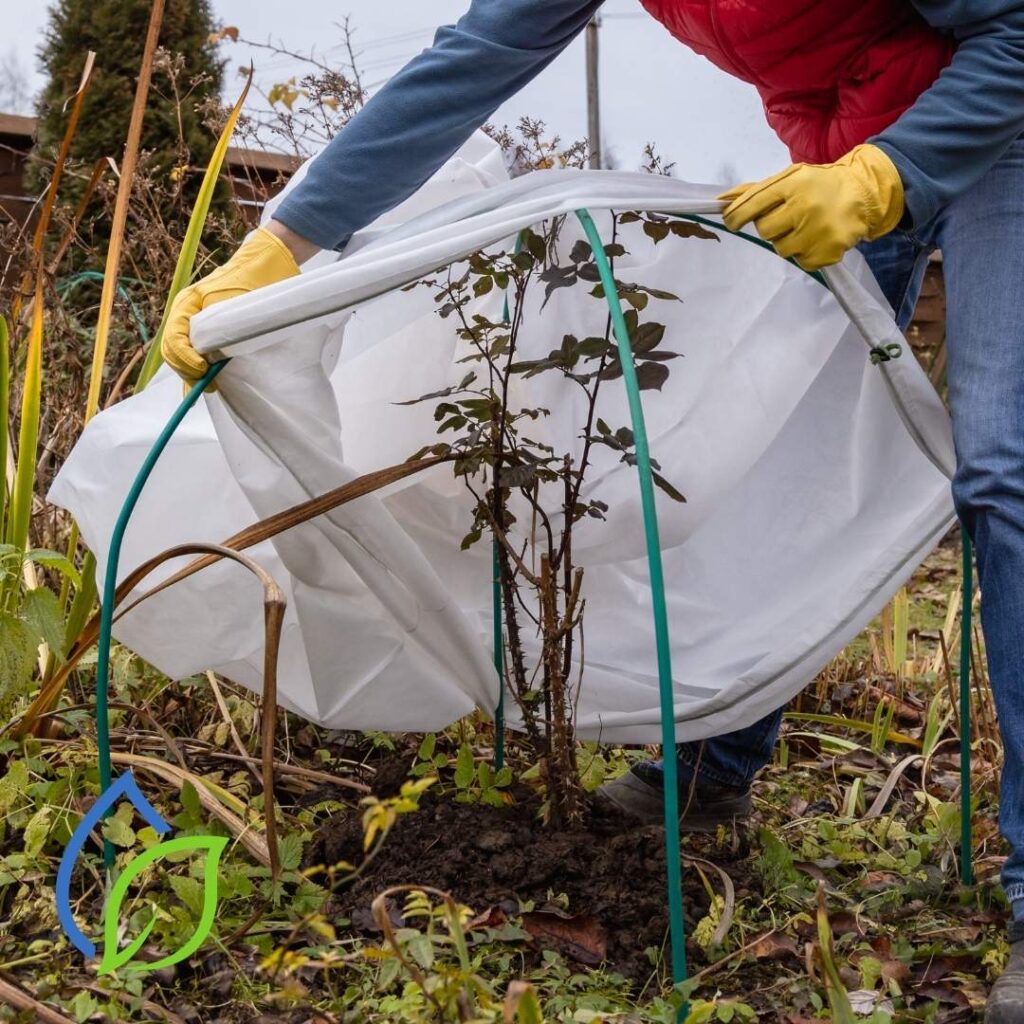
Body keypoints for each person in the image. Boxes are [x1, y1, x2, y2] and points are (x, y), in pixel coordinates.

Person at [162, 4, 1024, 1016]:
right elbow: (478, 58)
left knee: (1002, 464)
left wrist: (889, 173)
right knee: (767, 440)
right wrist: (285, 243)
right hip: (839, 134)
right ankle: (708, 772)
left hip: (995, 112)